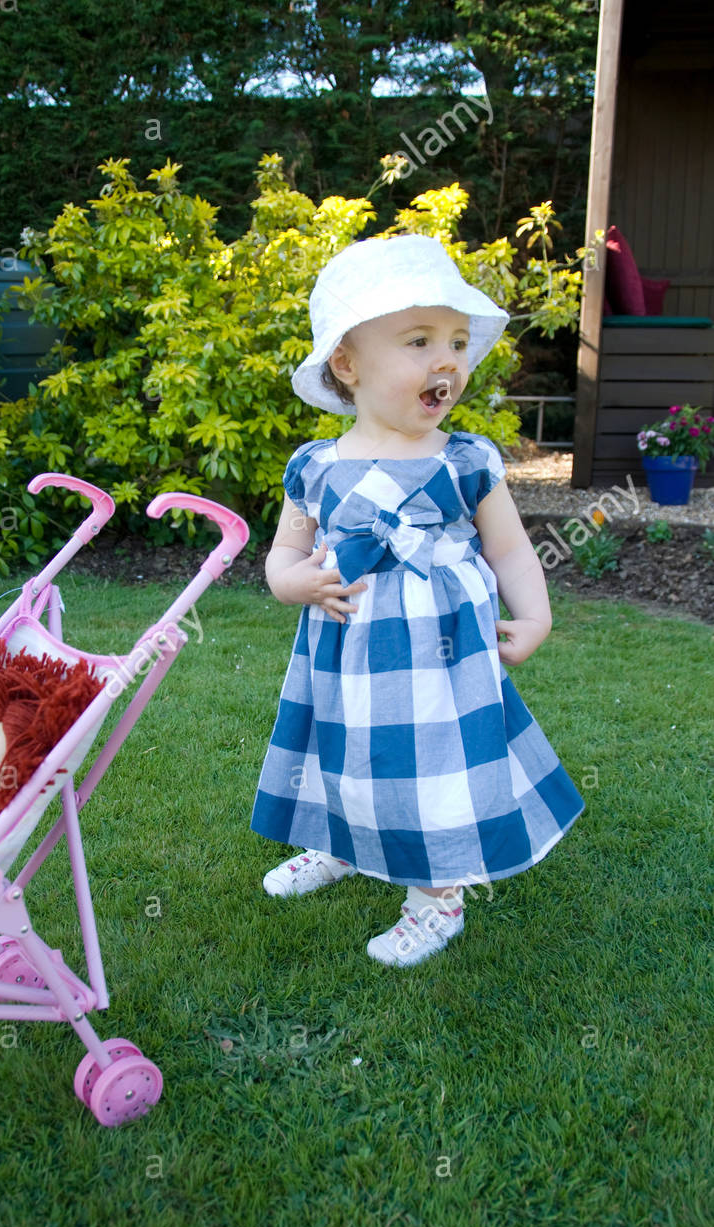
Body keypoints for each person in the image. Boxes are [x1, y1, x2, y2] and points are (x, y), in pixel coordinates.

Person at [250, 234, 585, 967]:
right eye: (419, 341)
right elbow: (282, 553)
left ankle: (438, 897)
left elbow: (509, 550)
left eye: (458, 343)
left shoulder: (465, 462)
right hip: (345, 655)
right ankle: (337, 842)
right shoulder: (316, 466)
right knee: (343, 750)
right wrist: (293, 581)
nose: (447, 361)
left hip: (442, 663)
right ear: (347, 364)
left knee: (434, 767)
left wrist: (534, 614)